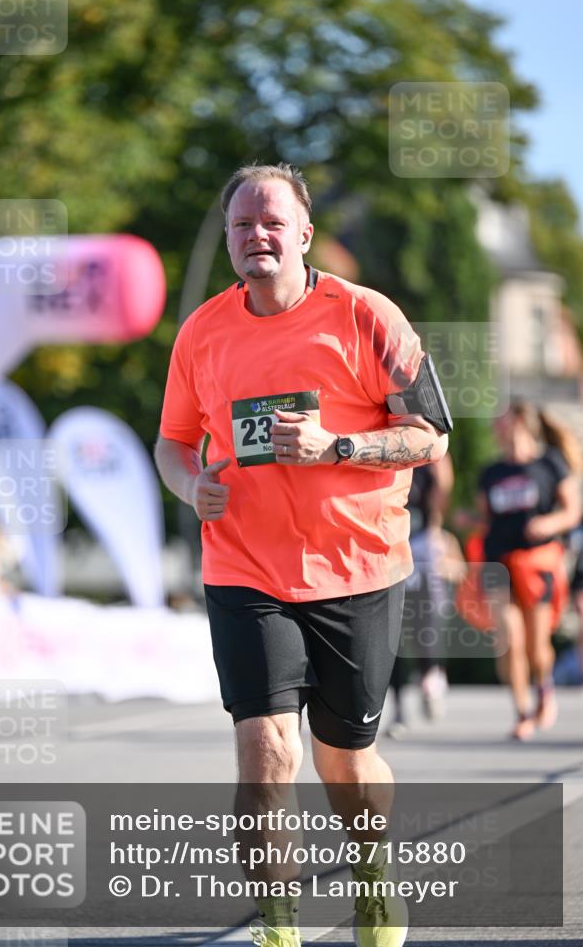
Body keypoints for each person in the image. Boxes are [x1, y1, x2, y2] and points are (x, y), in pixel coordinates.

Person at [155, 163, 451, 947]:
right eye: (242, 224)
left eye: (271, 222)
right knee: (265, 755)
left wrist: (336, 445)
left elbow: (429, 434)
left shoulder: (365, 317)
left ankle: (373, 879)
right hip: (244, 568)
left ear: (303, 234)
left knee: (344, 764)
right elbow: (172, 443)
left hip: (356, 568)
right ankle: (277, 925)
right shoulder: (202, 332)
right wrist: (190, 490)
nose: (257, 234)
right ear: (226, 239)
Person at [477, 402, 581, 740]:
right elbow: (485, 519)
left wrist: (549, 522)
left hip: (537, 561)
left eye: (501, 419)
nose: (496, 426)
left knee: (537, 645)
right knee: (509, 637)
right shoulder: (491, 472)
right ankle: (522, 711)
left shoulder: (549, 464)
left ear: (519, 422)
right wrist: (467, 522)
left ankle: (544, 687)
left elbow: (571, 512)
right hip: (498, 561)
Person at [387, 455, 465, 737]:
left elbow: (442, 493)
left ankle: (431, 673)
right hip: (387, 542)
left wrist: (437, 532)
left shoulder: (427, 453)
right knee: (390, 631)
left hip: (420, 542)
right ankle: (397, 710)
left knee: (425, 621)